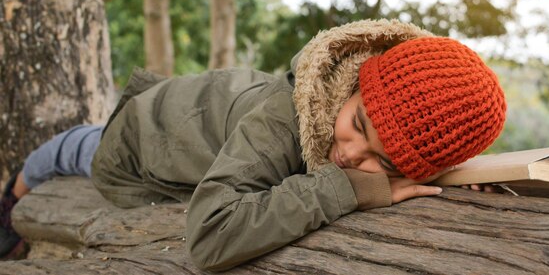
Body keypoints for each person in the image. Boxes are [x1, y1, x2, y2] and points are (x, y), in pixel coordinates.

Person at [0, 19, 507, 269]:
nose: (353, 156)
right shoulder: (281, 124)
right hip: (140, 135)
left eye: (386, 162)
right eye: (360, 124)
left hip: (201, 110)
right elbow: (208, 239)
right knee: (67, 152)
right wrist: (343, 189)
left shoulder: (363, 129)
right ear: (353, 85)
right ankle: (10, 201)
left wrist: (462, 184)